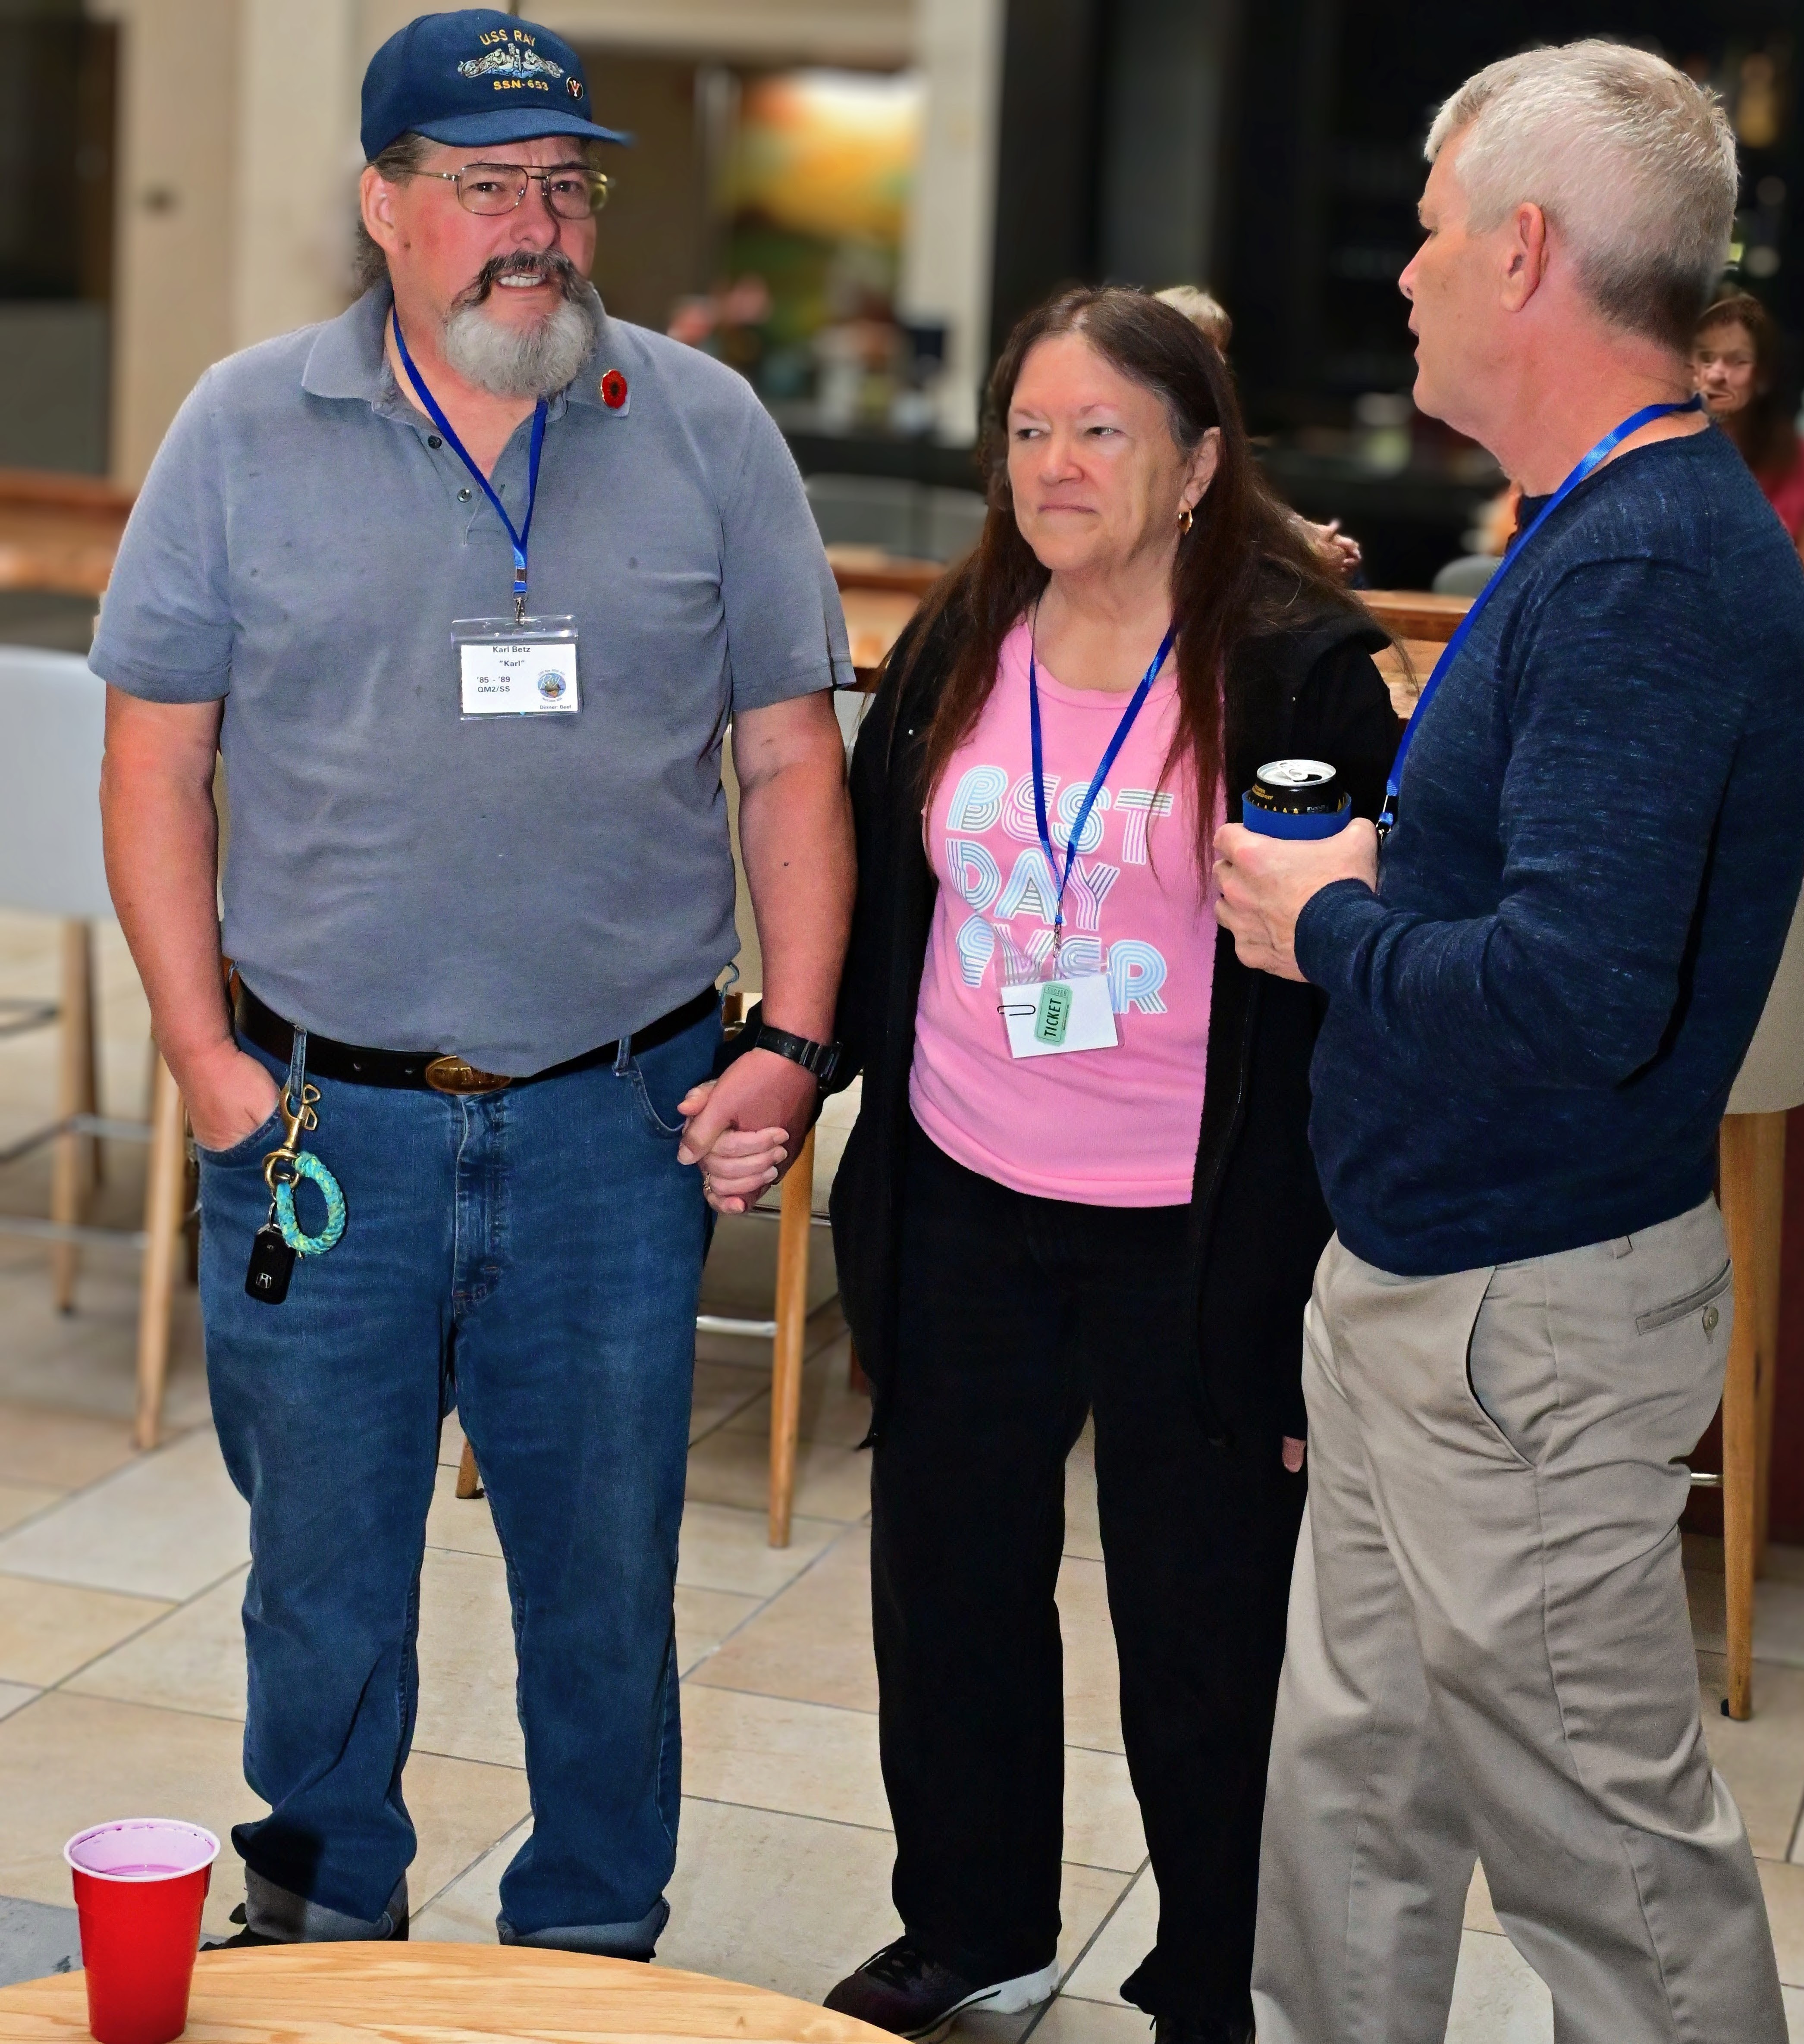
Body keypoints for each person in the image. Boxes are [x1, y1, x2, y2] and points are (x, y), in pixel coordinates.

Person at [94, 9, 853, 1954]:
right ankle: (321, 1913)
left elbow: (787, 753)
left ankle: (592, 1942)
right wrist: (201, 1057)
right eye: (486, 185)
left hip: (617, 1117)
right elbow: (157, 758)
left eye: (564, 186)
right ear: (383, 204)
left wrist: (791, 1036)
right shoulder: (240, 428)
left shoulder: (704, 426)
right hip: (316, 1130)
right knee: (320, 1576)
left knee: (601, 1578)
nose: (538, 228)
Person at [1213, 41, 1804, 2044]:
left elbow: (1578, 999)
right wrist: (1401, 866)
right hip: (1437, 1286)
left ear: (1524, 249)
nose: (1403, 272)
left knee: (1612, 1877)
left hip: (1522, 1317)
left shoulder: (1646, 562)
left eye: (1429, 230)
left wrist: (1330, 921)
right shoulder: (1598, 524)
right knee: (1354, 1804)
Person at [784, 285, 1395, 2044]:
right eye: (1031, 431)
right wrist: (799, 1072)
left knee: (1205, 1628)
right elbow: (887, 892)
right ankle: (970, 1923)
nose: (1054, 465)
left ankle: (1215, 1974)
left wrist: (1319, 1269)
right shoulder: (963, 633)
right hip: (963, 1191)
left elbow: (1356, 993)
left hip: (1196, 1232)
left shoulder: (1296, 667)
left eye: (1101, 431)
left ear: (1198, 463)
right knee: (950, 1587)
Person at [1156, 285, 1364, 584]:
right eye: (1206, 349)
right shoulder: (1160, 434)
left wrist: (1305, 533)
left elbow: (1248, 515)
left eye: (1221, 351)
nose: (1221, 366)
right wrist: (1301, 553)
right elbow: (1193, 539)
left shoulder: (1216, 433)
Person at [1695, 290, 1804, 585]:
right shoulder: (1663, 456)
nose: (1717, 374)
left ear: (1763, 375)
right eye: (1706, 358)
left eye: (1737, 361)